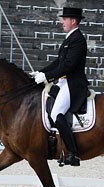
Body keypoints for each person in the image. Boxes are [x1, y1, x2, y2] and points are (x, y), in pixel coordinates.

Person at [30, 7, 89, 166]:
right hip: (63, 82)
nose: (62, 22)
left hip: (73, 83)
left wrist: (48, 76)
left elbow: (68, 66)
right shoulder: (69, 39)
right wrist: (40, 73)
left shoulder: (78, 40)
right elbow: (58, 63)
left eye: (65, 19)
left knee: (56, 113)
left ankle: (73, 154)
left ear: (73, 21)